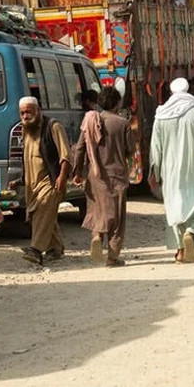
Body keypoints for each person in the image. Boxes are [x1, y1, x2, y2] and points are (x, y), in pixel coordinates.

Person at [149, 78, 194, 263]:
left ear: (171, 92)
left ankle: (180, 251)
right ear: (188, 90)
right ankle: (192, 232)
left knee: (175, 208)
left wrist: (154, 172)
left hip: (170, 171)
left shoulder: (161, 114)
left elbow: (155, 148)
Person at [68, 87, 133, 267]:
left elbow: (80, 148)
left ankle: (97, 236)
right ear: (117, 103)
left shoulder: (90, 121)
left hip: (95, 176)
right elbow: (130, 150)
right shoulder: (122, 123)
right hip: (117, 175)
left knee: (98, 210)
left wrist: (77, 172)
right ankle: (112, 258)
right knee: (117, 217)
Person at [15, 96, 72, 266]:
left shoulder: (53, 127)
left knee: (43, 211)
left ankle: (36, 250)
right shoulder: (26, 130)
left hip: (51, 180)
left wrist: (62, 177)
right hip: (33, 184)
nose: (25, 116)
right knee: (43, 215)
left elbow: (65, 156)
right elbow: (28, 159)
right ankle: (55, 249)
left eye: (28, 112)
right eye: (22, 113)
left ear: (38, 110)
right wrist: (20, 179)